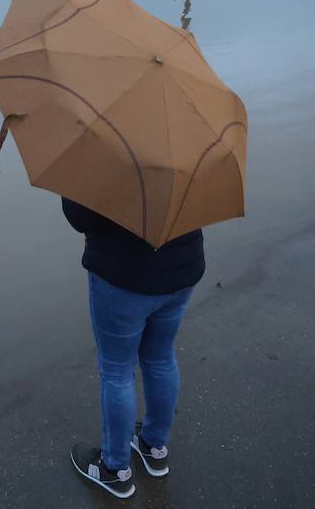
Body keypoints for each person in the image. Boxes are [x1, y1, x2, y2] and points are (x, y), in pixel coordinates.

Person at [63, 197, 204, 500]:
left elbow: (79, 216)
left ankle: (114, 470)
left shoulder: (112, 150)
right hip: (183, 268)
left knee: (117, 370)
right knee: (160, 357)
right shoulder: (187, 149)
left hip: (123, 278)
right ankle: (153, 446)